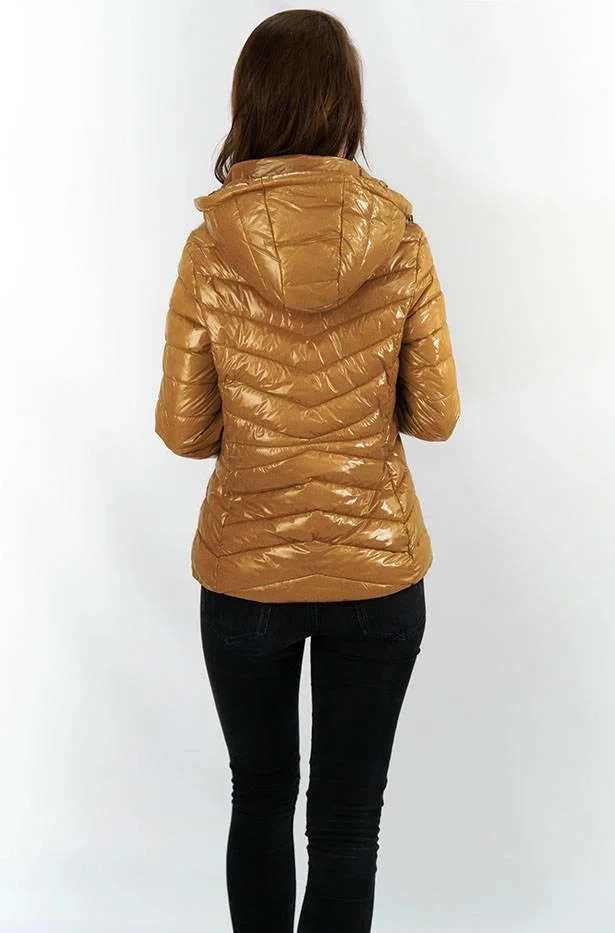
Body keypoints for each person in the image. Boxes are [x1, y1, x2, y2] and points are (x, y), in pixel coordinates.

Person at [154, 9, 460, 932]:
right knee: (346, 823)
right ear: (344, 107)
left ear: (248, 105)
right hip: (377, 570)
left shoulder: (210, 248)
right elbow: (436, 416)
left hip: (246, 572)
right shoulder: (400, 238)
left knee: (259, 796)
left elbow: (182, 429)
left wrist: (262, 426)